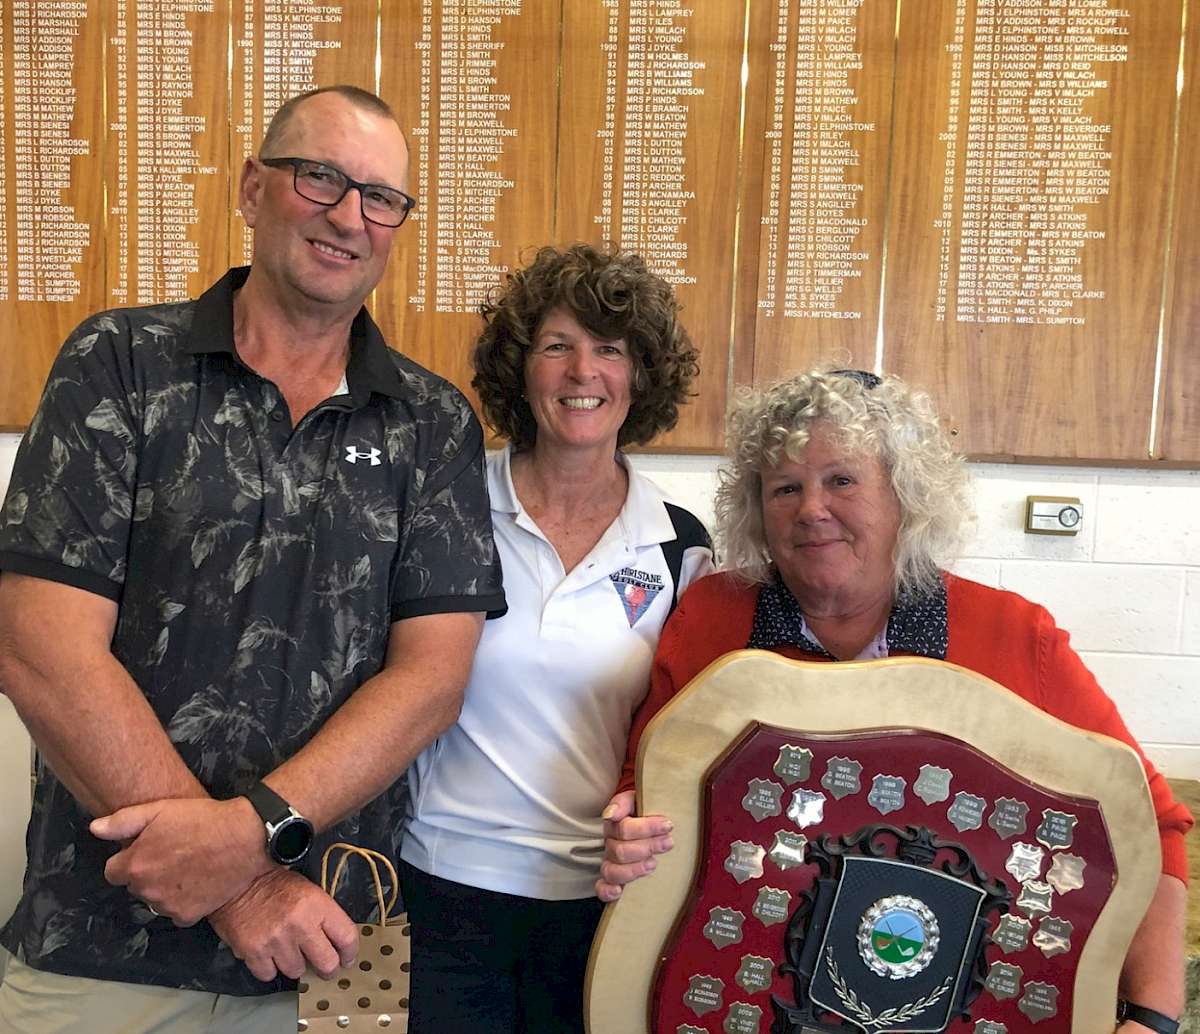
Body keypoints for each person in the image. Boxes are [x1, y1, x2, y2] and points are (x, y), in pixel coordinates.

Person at [0, 85, 504, 1033]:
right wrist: (244, 889)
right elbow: (39, 646)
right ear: (251, 187)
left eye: (381, 197)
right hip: (99, 944)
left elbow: (431, 682)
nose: (349, 216)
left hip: (340, 948)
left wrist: (248, 838)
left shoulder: (434, 423)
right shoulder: (119, 362)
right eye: (320, 177)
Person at [596, 368, 1193, 1034]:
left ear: (906, 496)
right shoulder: (712, 618)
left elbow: (1147, 823)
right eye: (785, 487)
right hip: (753, 999)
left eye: (842, 480)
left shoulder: (1014, 637)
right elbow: (648, 783)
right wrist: (630, 831)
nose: (811, 508)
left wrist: (1153, 1017)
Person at [399, 243, 714, 1032]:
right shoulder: (446, 504)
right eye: (556, 346)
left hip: (601, 908)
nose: (583, 372)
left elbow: (687, 730)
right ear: (520, 368)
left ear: (641, 376)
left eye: (610, 349)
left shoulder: (679, 543)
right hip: (430, 891)